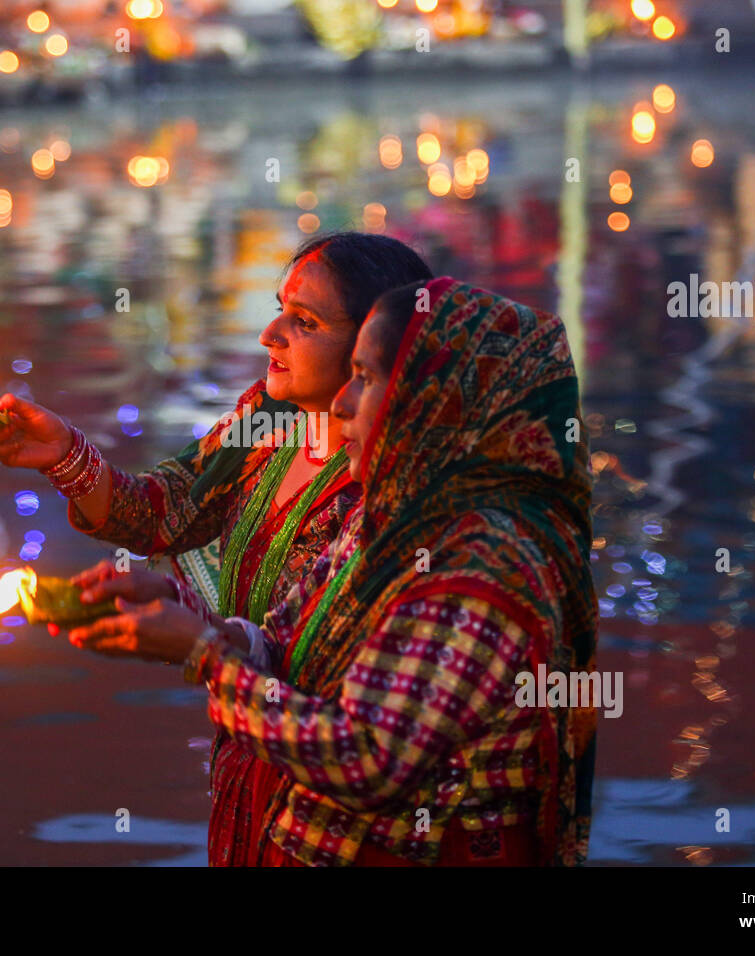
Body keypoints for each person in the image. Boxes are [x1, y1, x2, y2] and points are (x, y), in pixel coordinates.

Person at [60, 277, 597, 866]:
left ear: (436, 403)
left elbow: (368, 759)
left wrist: (204, 656)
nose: (343, 403)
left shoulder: (483, 569)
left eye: (365, 379)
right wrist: (180, 612)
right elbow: (284, 646)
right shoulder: (394, 520)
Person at [0, 231, 433, 865]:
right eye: (279, 309)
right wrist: (64, 456)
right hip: (246, 746)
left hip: (334, 787)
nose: (269, 335)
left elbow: (309, 659)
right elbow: (164, 513)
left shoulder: (390, 489)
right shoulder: (266, 419)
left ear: (372, 347)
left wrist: (197, 640)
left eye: (303, 322)